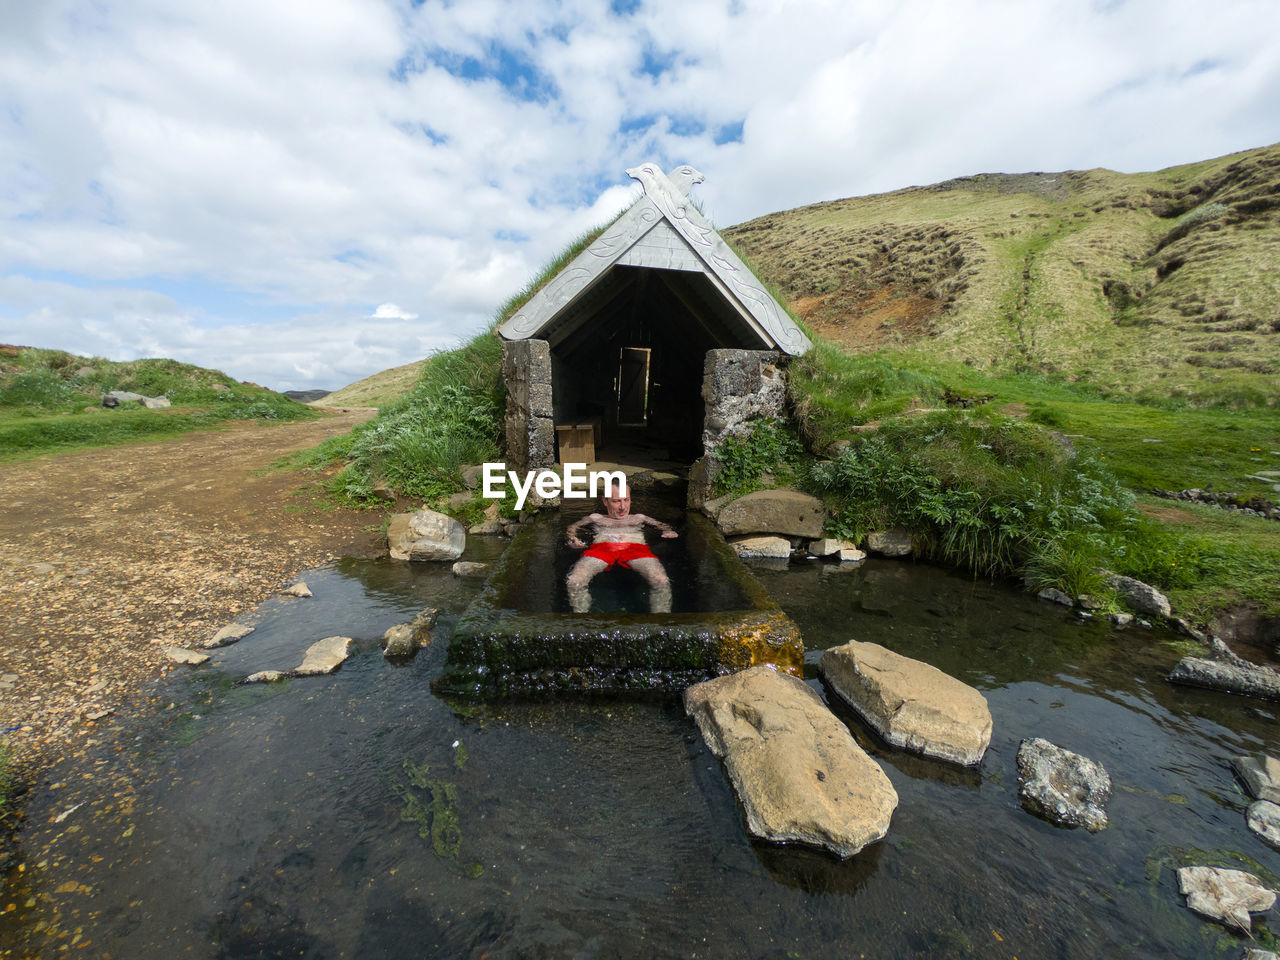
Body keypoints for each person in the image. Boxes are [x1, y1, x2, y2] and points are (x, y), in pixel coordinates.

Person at [565, 478, 678, 613]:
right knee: (574, 581)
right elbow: (573, 527)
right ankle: (582, 621)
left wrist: (668, 531)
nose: (623, 507)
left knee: (661, 580)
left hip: (635, 549)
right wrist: (573, 539)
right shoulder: (596, 518)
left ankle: (661, 623)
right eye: (617, 501)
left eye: (626, 500)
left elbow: (662, 525)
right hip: (602, 549)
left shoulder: (639, 518)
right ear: (605, 501)